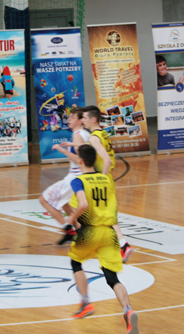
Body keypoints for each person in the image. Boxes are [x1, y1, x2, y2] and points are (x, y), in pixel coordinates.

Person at [66, 144, 139, 334]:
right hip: (109, 232)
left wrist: (71, 219)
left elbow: (82, 204)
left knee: (75, 262)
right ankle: (127, 310)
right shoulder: (107, 180)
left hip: (90, 230)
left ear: (80, 161)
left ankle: (86, 303)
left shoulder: (78, 181)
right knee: (111, 277)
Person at [61, 105, 134, 262]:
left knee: (78, 206)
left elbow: (106, 159)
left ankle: (89, 241)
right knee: (105, 216)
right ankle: (122, 245)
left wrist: (102, 178)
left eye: (85, 118)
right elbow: (93, 149)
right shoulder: (101, 133)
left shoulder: (94, 137)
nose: (83, 121)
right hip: (104, 180)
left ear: (93, 119)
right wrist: (73, 146)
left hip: (100, 180)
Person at [39, 108, 89, 232]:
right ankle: (79, 229)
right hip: (82, 176)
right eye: (69, 117)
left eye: (72, 118)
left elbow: (79, 160)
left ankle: (67, 228)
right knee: (64, 203)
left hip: (75, 177)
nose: (69, 120)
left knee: (44, 199)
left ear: (80, 120)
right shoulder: (86, 134)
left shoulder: (77, 135)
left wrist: (63, 151)